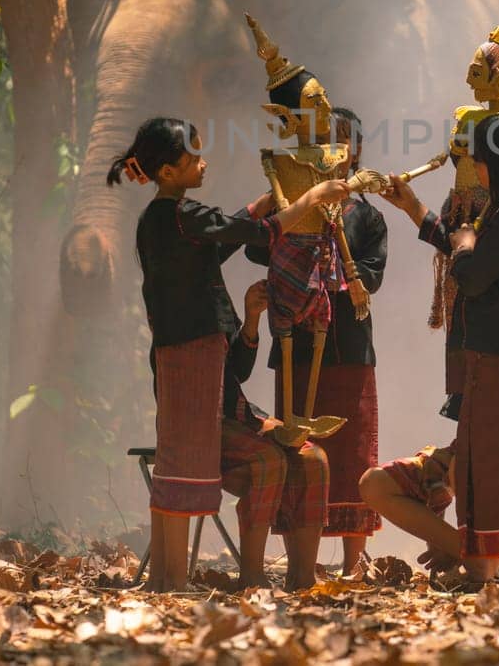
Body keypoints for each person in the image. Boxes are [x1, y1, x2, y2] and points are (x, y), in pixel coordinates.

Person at [109, 116, 349, 592]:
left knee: (311, 459)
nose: (202, 162)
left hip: (213, 381)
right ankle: (238, 579)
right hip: (188, 373)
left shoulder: (172, 223)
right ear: (169, 172)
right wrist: (309, 201)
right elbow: (249, 235)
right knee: (257, 462)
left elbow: (223, 238)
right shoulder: (177, 216)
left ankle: (301, 580)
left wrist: (268, 201)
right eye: (192, 157)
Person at [377, 111, 499, 581]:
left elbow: (472, 275)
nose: (475, 168)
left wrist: (465, 242)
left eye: (480, 159)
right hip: (496, 356)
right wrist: (414, 208)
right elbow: (465, 246)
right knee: (483, 466)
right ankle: (491, 572)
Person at [247, 106, 387, 577]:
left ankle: (352, 564)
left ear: (356, 153)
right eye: (323, 142)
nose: (331, 153)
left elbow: (371, 275)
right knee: (296, 449)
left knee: (351, 453)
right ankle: (298, 562)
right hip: (296, 345)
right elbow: (253, 245)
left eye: (341, 144)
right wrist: (282, 200)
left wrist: (337, 280)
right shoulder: (293, 206)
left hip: (348, 347)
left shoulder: (368, 219)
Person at [219, 281, 329, 590]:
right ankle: (251, 577)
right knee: (269, 460)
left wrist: (251, 319)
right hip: (198, 422)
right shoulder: (175, 301)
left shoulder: (216, 296)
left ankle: (303, 577)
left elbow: (237, 372)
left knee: (313, 457)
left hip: (240, 414)